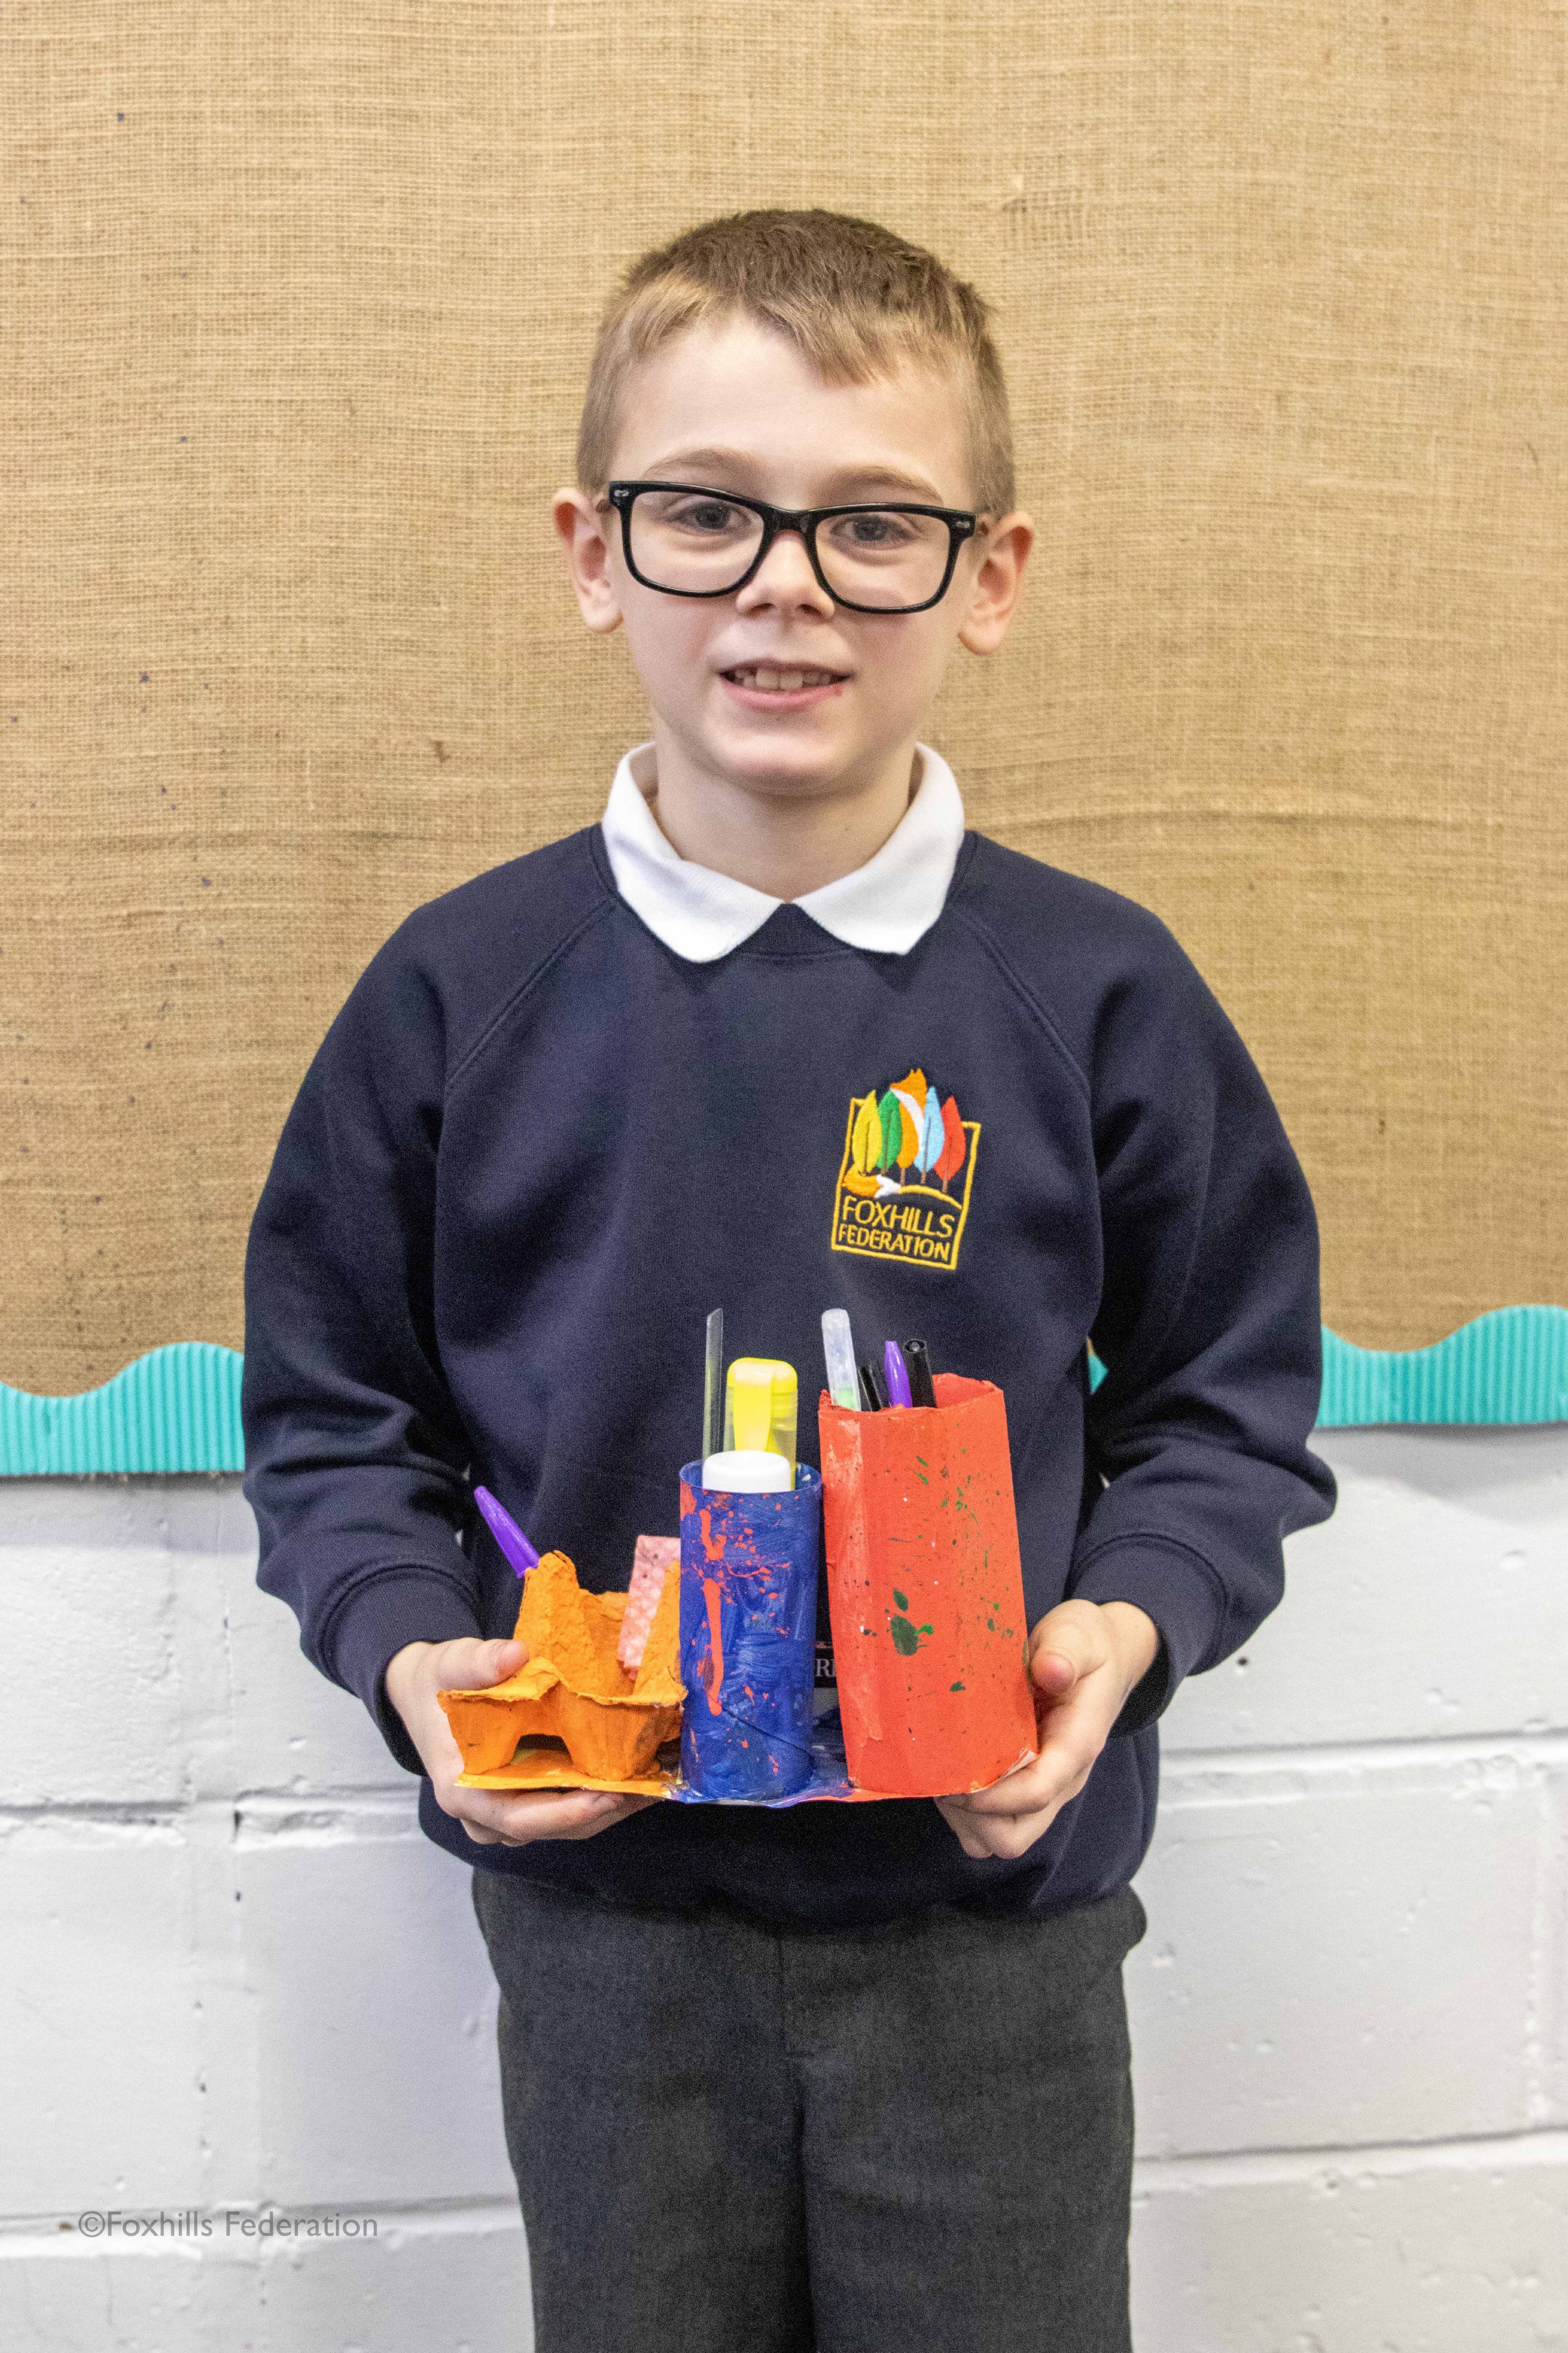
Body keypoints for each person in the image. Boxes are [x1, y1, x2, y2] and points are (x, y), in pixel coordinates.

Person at [243, 208, 1336, 2352]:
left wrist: (1124, 1626)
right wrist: (408, 1663)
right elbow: (331, 1417)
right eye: (708, 512)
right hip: (608, 1926)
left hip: (988, 1917)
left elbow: (1224, 1401)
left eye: (874, 527)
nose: (786, 582)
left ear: (989, 577)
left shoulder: (1094, 995)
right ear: (593, 552)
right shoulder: (463, 996)